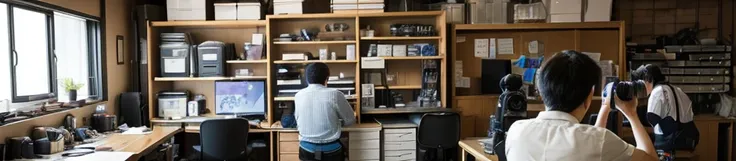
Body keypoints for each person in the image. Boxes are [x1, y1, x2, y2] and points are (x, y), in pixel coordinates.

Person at [505, 50, 658, 161]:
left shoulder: (516, 131)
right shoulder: (599, 140)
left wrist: (605, 107)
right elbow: (650, 158)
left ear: (542, 91)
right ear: (590, 95)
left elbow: (593, 145)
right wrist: (631, 114)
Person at [631, 64, 697, 159]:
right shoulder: (678, 90)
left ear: (649, 79)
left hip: (670, 143)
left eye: (643, 82)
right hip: (689, 138)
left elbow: (652, 119)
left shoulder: (657, 92)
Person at [294, 62, 356, 161]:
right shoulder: (335, 94)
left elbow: (297, 119)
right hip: (331, 151)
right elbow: (351, 120)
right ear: (327, 78)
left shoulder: (298, 95)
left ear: (307, 79)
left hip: (306, 150)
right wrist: (335, 122)